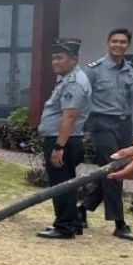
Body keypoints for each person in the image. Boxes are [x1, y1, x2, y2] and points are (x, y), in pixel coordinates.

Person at [80, 28, 133, 241]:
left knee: (117, 170)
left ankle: (83, 209)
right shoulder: (94, 70)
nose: (118, 45)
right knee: (114, 169)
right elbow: (83, 100)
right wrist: (84, 128)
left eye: (123, 42)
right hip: (101, 123)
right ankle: (119, 223)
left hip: (124, 125)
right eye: (114, 41)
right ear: (108, 43)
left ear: (128, 45)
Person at [36, 38, 91, 240]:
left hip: (62, 141)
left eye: (60, 58)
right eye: (53, 58)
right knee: (66, 183)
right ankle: (72, 222)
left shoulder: (74, 82)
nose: (55, 62)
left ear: (74, 59)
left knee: (61, 185)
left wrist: (59, 147)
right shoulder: (67, 79)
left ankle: (64, 226)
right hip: (64, 139)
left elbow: (69, 117)